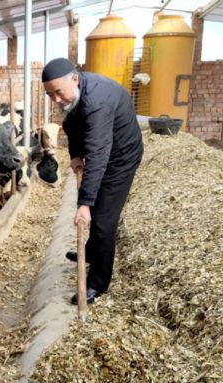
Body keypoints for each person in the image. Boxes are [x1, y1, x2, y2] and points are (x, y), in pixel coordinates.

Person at [41, 58, 143, 305]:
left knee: (104, 220)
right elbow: (71, 123)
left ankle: (97, 283)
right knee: (96, 208)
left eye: (58, 92)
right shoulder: (76, 94)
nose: (56, 100)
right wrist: (75, 154)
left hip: (121, 158)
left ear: (74, 79)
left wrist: (84, 203)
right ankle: (90, 252)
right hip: (103, 150)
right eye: (49, 94)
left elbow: (98, 155)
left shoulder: (97, 102)